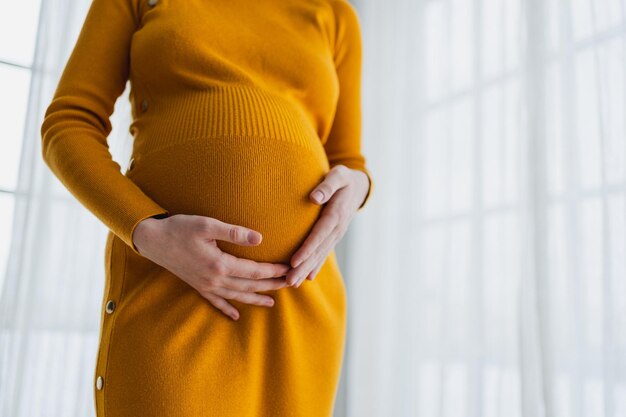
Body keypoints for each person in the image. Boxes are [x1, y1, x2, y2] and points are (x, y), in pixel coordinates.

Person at [40, 0, 374, 415]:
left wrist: (358, 188)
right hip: (171, 284)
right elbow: (68, 125)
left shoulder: (334, 13)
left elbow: (348, 160)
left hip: (297, 299)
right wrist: (147, 228)